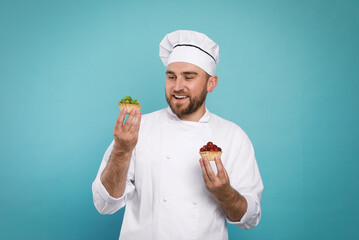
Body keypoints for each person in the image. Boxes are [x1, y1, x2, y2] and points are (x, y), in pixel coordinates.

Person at [92, 30, 264, 240]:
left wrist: (224, 192)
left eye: (189, 77)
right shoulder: (138, 128)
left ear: (211, 83)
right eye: (171, 76)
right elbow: (104, 205)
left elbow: (250, 219)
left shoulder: (233, 136)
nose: (177, 86)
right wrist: (122, 149)